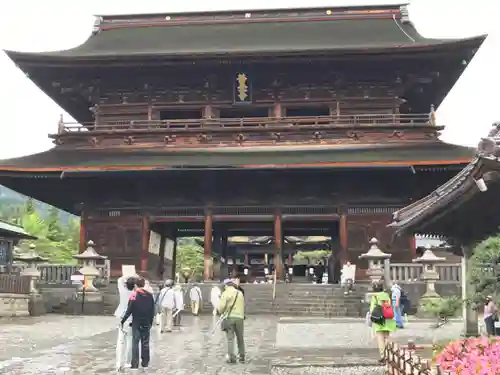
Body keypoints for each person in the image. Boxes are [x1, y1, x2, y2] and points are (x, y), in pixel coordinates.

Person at [121, 277, 155, 371]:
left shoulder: (133, 295)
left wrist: (122, 321)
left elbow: (129, 310)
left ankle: (135, 364)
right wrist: (150, 322)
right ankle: (145, 363)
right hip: (146, 322)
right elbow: (152, 310)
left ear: (136, 285)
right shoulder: (150, 295)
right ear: (143, 285)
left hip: (136, 322)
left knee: (135, 343)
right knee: (145, 343)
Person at [218, 278, 245, 364]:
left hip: (229, 318)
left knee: (230, 338)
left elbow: (221, 308)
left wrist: (222, 310)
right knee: (240, 337)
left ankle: (232, 357)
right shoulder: (240, 293)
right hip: (240, 318)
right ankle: (242, 356)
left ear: (226, 285)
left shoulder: (225, 293)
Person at [369, 281, 397, 363]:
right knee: (387, 337)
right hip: (388, 318)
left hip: (379, 319)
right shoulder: (387, 295)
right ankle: (390, 354)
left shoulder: (375, 297)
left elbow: (372, 310)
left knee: (380, 338)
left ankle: (383, 355)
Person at [114, 276, 136, 372]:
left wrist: (127, 274)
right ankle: (127, 362)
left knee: (120, 341)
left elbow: (119, 280)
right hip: (131, 319)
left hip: (121, 317)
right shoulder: (135, 294)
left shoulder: (123, 291)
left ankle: (118, 362)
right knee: (130, 340)